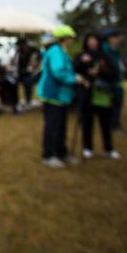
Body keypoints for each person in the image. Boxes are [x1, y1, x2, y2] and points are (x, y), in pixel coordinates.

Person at [37, 25, 87, 168]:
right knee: (53, 126)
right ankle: (48, 155)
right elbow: (58, 72)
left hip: (61, 95)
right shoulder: (56, 52)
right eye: (71, 37)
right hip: (53, 94)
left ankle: (61, 152)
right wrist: (74, 79)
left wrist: (74, 77)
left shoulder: (60, 51)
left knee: (61, 126)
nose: (72, 40)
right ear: (64, 38)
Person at [73, 33, 120, 160]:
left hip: (103, 94)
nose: (92, 43)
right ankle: (87, 147)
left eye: (94, 40)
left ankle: (108, 148)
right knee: (87, 122)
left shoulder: (105, 57)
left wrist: (100, 70)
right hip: (87, 94)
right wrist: (82, 64)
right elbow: (74, 71)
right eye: (90, 40)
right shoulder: (81, 55)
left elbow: (114, 74)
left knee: (105, 122)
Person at [102, 29, 127, 133]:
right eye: (114, 37)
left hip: (117, 80)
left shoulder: (115, 50)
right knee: (113, 104)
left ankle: (115, 124)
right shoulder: (106, 50)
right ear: (108, 39)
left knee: (117, 103)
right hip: (110, 81)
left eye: (117, 37)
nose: (117, 39)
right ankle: (113, 124)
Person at [16, 36, 38, 109]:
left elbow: (35, 60)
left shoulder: (32, 50)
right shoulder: (19, 51)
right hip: (21, 72)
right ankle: (23, 100)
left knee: (28, 84)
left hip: (28, 72)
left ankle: (28, 100)